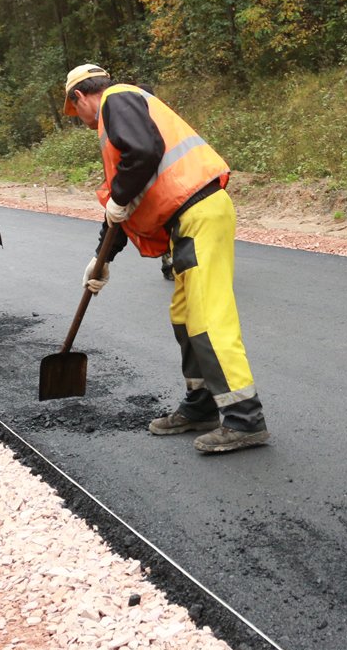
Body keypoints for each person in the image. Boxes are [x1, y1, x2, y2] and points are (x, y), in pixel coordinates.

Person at [63, 63, 270, 453]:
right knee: (185, 316)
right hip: (188, 220)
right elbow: (126, 201)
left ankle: (245, 419)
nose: (83, 122)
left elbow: (140, 159)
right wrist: (101, 259)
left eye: (78, 114)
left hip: (200, 213)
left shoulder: (116, 100)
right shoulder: (124, 117)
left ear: (79, 97)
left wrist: (120, 199)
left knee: (208, 318)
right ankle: (201, 406)